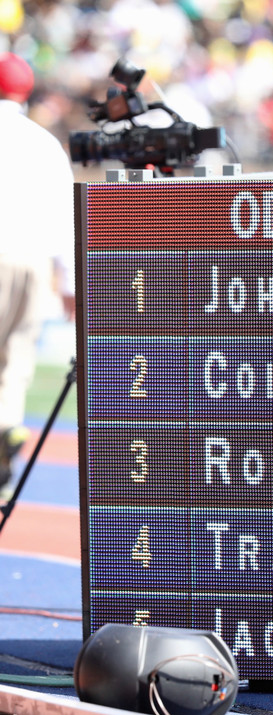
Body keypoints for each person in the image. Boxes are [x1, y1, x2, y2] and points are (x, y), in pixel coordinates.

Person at [0, 52, 75, 497]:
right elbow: (66, 217)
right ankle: (6, 427)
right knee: (15, 360)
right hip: (30, 259)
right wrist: (68, 284)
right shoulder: (44, 142)